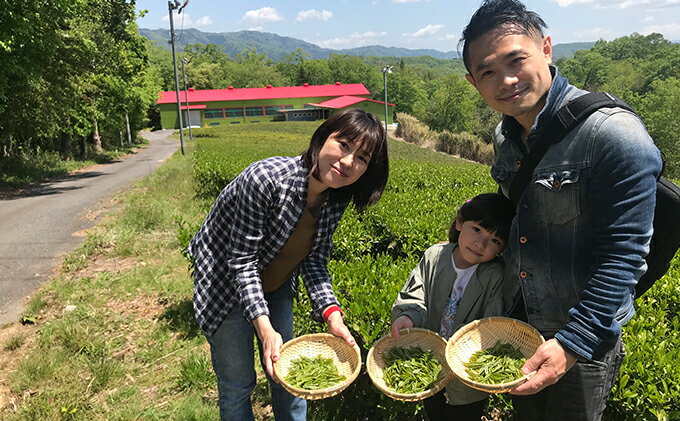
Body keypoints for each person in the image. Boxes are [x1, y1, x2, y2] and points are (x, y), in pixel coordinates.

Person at [459, 1, 663, 420]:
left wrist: (573, 343)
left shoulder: (613, 135)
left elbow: (624, 257)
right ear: (473, 82)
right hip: (521, 321)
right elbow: (523, 217)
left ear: (547, 48)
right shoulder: (505, 135)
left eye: (516, 60)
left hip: (582, 334)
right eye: (488, 72)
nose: (507, 81)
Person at [188, 108, 389, 421]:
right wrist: (265, 327)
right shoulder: (265, 180)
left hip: (277, 281)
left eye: (362, 158)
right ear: (322, 138)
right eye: (344, 145)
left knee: (289, 378)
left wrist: (332, 314)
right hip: (225, 283)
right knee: (238, 384)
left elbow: (314, 258)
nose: (349, 162)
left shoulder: (336, 197)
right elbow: (242, 261)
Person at [391, 193, 515, 420]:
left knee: (464, 413)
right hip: (431, 361)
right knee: (434, 409)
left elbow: (491, 324)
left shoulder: (494, 275)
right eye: (477, 229)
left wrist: (475, 356)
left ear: (501, 249)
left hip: (466, 376)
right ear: (459, 223)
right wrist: (407, 316)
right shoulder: (434, 256)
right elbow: (414, 294)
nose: (481, 244)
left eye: (495, 240)